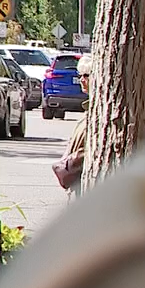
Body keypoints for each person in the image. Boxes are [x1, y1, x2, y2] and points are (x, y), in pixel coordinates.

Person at [58, 54, 92, 197]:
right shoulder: (88, 111)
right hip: (77, 185)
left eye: (86, 75)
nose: (81, 80)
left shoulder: (98, 112)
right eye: (80, 75)